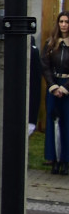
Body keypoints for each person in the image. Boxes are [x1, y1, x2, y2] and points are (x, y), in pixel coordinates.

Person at [41, 11, 69, 175]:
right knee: (53, 123)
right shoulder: (51, 43)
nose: (64, 25)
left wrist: (65, 88)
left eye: (66, 22)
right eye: (61, 21)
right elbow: (45, 65)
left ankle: (65, 160)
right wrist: (52, 86)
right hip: (54, 87)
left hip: (67, 87)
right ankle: (54, 159)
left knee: (66, 123)